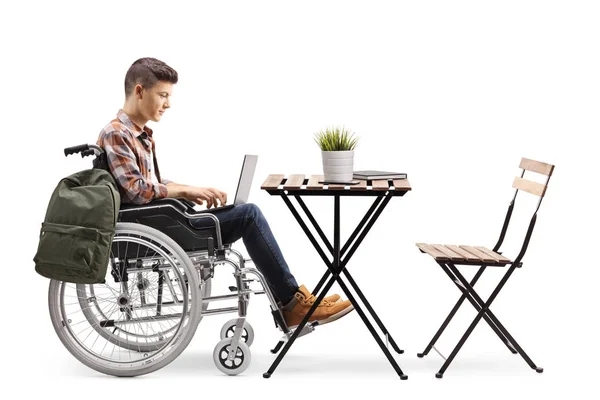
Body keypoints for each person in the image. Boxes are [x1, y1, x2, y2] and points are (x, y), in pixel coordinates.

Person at [96, 57, 354, 328]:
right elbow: (137, 191)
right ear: (139, 91)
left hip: (158, 221)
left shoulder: (139, 134)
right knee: (249, 215)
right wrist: (183, 191)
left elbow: (149, 183)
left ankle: (294, 303)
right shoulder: (117, 133)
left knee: (245, 214)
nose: (168, 104)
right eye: (162, 95)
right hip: (149, 229)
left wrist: (191, 190)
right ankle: (293, 304)